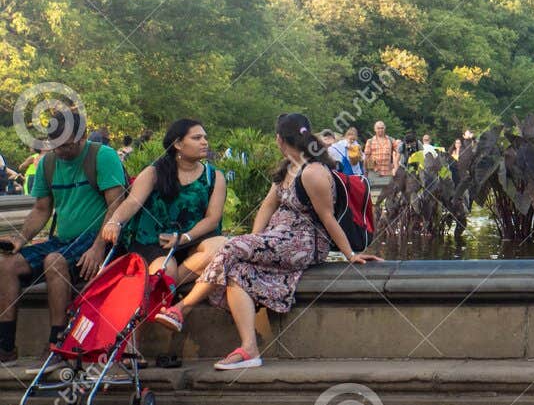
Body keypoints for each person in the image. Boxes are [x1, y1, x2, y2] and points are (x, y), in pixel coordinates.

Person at [154, 113, 382, 370]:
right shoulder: (289, 168)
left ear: (279, 139)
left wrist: (350, 255)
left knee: (230, 246)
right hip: (276, 240)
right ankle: (249, 348)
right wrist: (254, 240)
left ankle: (182, 308)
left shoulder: (313, 172)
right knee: (237, 270)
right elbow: (267, 205)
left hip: (302, 243)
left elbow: (328, 219)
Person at [0, 111, 127, 364]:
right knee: (6, 263)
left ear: (81, 138)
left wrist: (98, 247)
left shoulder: (102, 156)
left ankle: (57, 341)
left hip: (94, 236)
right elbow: (41, 209)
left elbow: (116, 205)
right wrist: (21, 239)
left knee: (54, 261)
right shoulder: (48, 163)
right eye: (54, 145)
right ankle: (5, 345)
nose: (60, 151)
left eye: (66, 145)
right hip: (64, 239)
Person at [98, 119, 228, 365]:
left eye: (204, 137)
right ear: (178, 143)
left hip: (192, 240)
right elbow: (132, 203)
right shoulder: (155, 171)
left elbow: (213, 219)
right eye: (197, 138)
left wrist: (185, 237)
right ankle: (132, 343)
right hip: (153, 240)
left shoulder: (214, 176)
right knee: (163, 269)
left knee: (222, 247)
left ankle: (168, 299)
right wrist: (114, 222)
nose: (204, 142)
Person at [364, 120, 401, 189]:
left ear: (385, 128)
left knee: (388, 194)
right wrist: (365, 171)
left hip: (388, 172)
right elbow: (366, 157)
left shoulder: (391, 140)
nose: (380, 130)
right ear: (375, 129)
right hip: (374, 172)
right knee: (373, 194)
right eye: (378, 128)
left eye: (382, 128)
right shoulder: (370, 141)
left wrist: (396, 163)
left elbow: (399, 151)